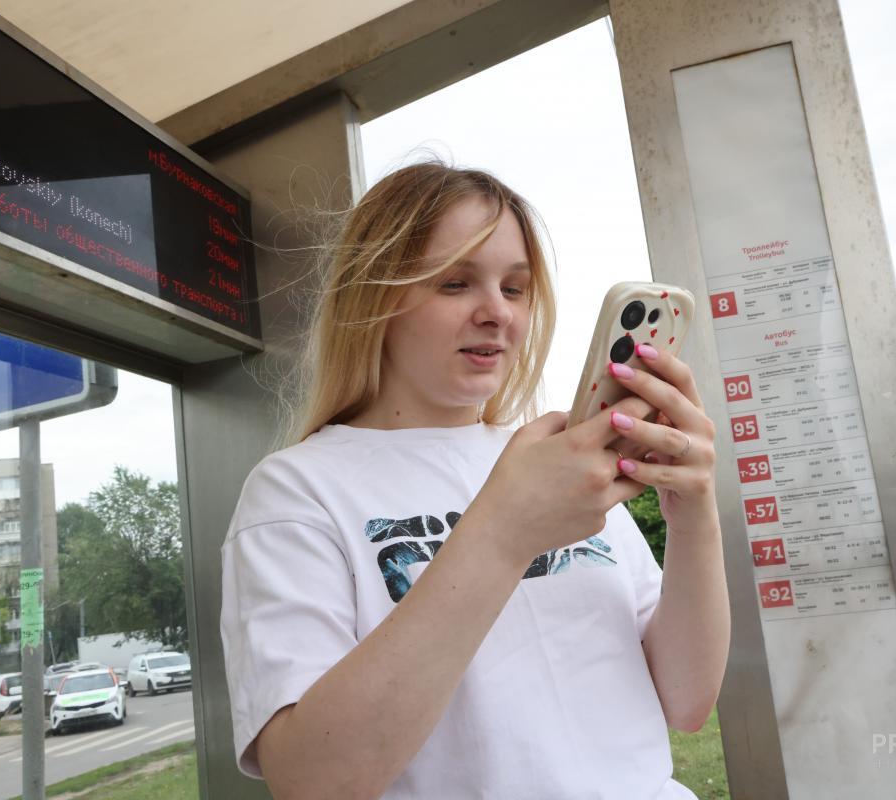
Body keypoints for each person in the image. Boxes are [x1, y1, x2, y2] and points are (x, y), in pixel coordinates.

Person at [220, 160, 731, 799]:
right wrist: (502, 535)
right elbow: (313, 781)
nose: (496, 313)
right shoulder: (297, 490)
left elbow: (685, 702)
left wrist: (693, 511)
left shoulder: (550, 454)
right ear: (373, 297)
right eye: (455, 282)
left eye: (515, 289)